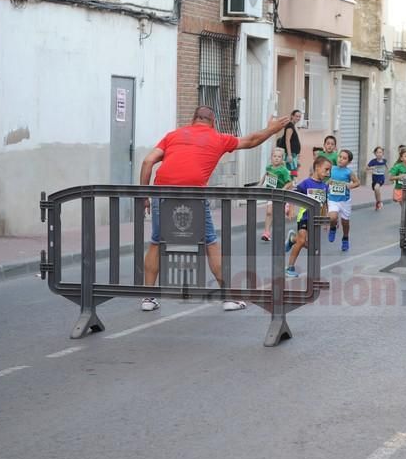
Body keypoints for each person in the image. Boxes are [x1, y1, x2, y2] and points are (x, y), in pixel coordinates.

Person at [139, 106, 289, 312]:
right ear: (214, 122)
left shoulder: (172, 135)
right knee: (210, 242)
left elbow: (148, 162)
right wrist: (271, 130)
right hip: (194, 196)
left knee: (157, 241)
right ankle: (228, 297)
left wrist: (145, 196)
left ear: (193, 120)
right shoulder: (218, 138)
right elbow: (251, 140)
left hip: (162, 192)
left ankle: (148, 298)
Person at [285, 156, 332, 277]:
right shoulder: (306, 183)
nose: (328, 173)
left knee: (313, 247)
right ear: (317, 167)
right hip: (304, 217)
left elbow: (324, 204)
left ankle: (292, 239)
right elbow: (293, 195)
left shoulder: (325, 187)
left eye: (329, 170)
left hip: (316, 220)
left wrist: (325, 220)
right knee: (302, 241)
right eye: (326, 169)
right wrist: (291, 209)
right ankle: (289, 267)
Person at [327, 150, 360, 251]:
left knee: (345, 222)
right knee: (332, 217)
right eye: (340, 157)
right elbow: (325, 179)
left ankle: (345, 238)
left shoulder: (349, 172)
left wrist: (350, 185)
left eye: (344, 158)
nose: (341, 159)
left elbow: (357, 182)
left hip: (344, 201)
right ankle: (332, 227)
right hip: (333, 199)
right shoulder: (332, 169)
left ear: (349, 162)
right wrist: (328, 182)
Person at [260, 148, 293, 242]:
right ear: (271, 157)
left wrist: (283, 189)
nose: (276, 158)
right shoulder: (269, 167)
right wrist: (260, 184)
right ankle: (266, 232)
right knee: (269, 212)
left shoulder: (284, 170)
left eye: (279, 157)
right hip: (271, 193)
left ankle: (286, 206)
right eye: (275, 156)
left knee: (278, 214)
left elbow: (289, 183)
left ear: (282, 159)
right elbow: (266, 175)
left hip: (280, 195)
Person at [279, 109, 302, 179]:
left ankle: (291, 186)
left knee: (294, 172)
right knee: (291, 173)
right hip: (290, 154)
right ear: (292, 116)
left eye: (299, 117)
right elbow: (287, 140)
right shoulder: (290, 126)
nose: (298, 118)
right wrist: (289, 155)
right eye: (296, 116)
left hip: (293, 154)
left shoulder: (292, 126)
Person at [366, 146, 388, 210]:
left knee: (376, 188)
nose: (379, 154)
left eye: (380, 152)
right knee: (376, 190)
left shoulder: (384, 161)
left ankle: (380, 202)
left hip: (381, 178)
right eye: (377, 152)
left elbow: (387, 167)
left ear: (383, 153)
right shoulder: (373, 161)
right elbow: (366, 168)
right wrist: (371, 168)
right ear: (375, 154)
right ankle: (377, 202)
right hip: (374, 178)